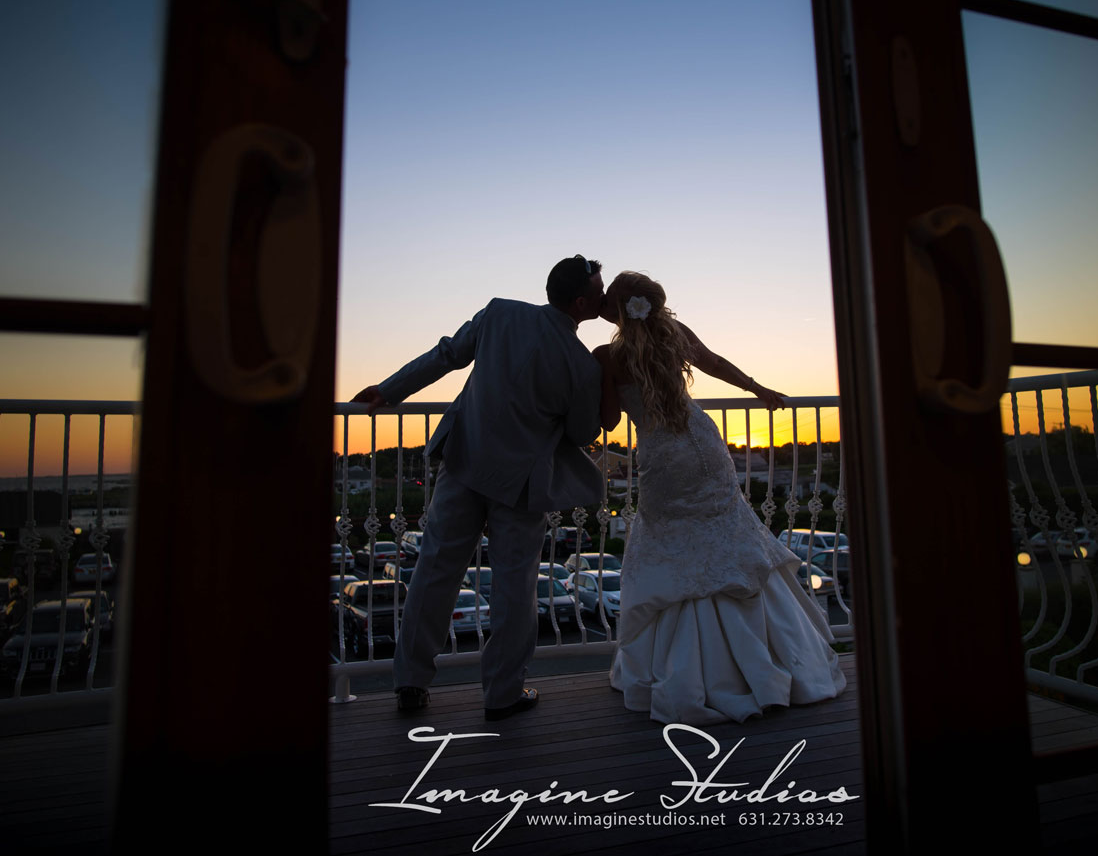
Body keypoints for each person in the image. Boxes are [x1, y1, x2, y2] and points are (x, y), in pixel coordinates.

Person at [351, 256, 607, 720]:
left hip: (464, 459)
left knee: (433, 571)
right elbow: (581, 433)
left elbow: (445, 354)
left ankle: (410, 682)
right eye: (600, 290)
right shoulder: (583, 366)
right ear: (583, 303)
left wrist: (388, 392)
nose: (606, 297)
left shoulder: (500, 312)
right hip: (521, 484)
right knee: (514, 587)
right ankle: (502, 694)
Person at [592, 271, 846, 725]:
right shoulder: (676, 335)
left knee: (672, 543)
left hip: (663, 460)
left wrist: (597, 383)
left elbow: (609, 422)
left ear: (618, 308)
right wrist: (758, 390)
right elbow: (715, 364)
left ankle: (696, 667)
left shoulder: (607, 356)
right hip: (705, 446)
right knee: (728, 533)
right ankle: (769, 659)